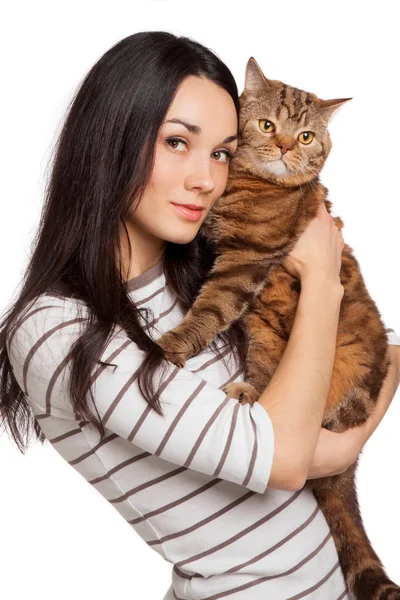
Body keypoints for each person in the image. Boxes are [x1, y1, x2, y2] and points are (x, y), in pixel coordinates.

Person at [1, 31, 399, 600]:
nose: (207, 179)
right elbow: (290, 457)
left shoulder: (200, 273)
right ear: (109, 138)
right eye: (176, 142)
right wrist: (320, 279)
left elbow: (378, 356)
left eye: (221, 152)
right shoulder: (56, 331)